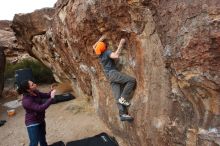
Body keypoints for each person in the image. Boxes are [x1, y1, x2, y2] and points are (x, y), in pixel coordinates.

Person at [93, 35, 136, 121]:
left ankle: (122, 114)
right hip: (113, 73)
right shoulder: (106, 52)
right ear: (104, 47)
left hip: (109, 76)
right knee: (131, 80)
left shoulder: (99, 53)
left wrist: (100, 39)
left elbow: (94, 46)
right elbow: (116, 56)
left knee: (117, 96)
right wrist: (121, 43)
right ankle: (124, 98)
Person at [17, 80, 56, 146]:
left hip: (40, 119)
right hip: (32, 123)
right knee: (34, 143)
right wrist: (51, 98)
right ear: (28, 89)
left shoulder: (35, 92)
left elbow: (46, 95)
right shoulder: (26, 101)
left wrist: (51, 91)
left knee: (43, 140)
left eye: (33, 83)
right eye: (32, 85)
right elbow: (40, 108)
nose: (35, 84)